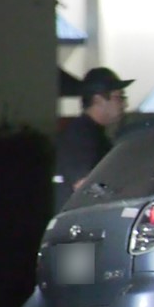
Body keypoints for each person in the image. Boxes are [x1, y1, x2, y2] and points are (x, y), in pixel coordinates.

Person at [53, 67, 134, 213]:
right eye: (119, 97)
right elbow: (83, 184)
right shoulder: (80, 135)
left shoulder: (94, 134)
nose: (125, 104)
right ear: (98, 100)